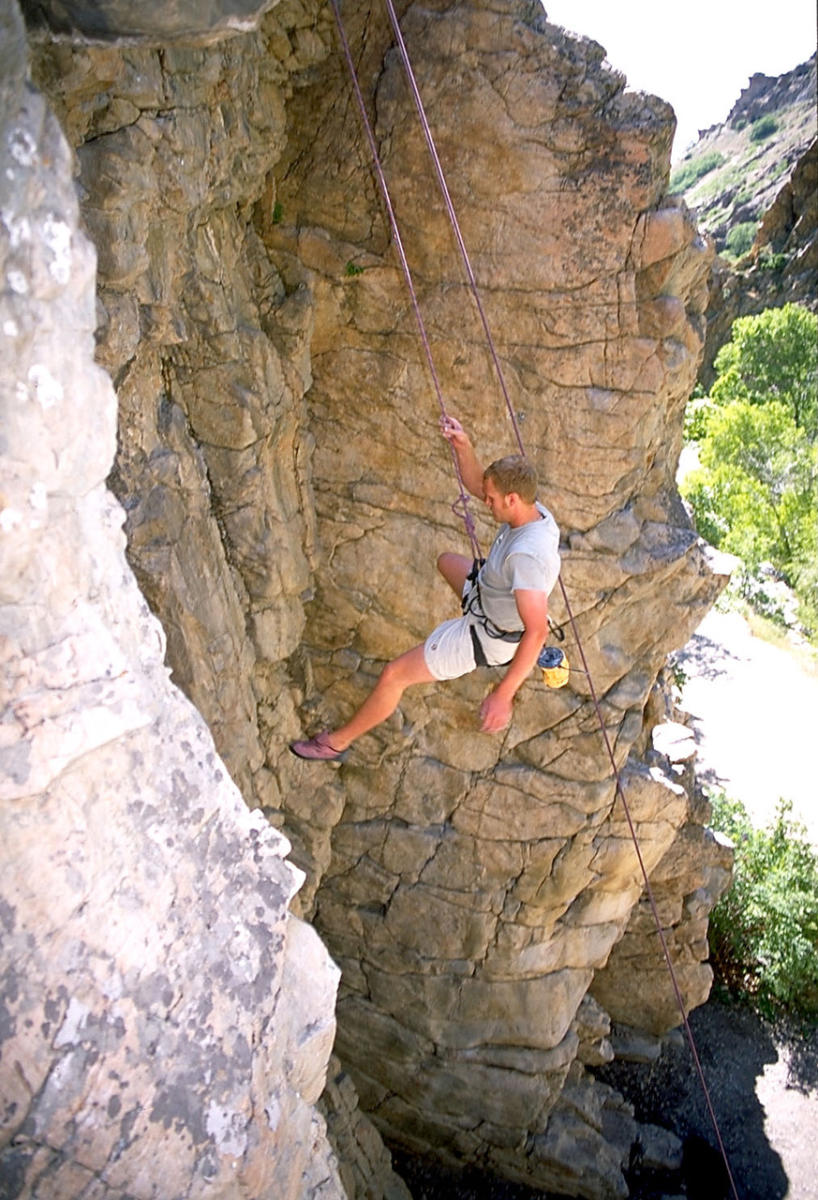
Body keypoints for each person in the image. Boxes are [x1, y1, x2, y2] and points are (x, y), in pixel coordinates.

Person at [289, 415, 560, 761]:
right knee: (447, 561)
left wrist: (503, 695)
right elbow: (478, 484)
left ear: (511, 500)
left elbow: (537, 631)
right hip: (489, 596)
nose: (485, 502)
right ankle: (499, 619)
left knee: (394, 675)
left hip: (487, 636)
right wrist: (464, 446)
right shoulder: (533, 509)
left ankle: (334, 744)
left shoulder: (527, 557)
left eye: (492, 499)